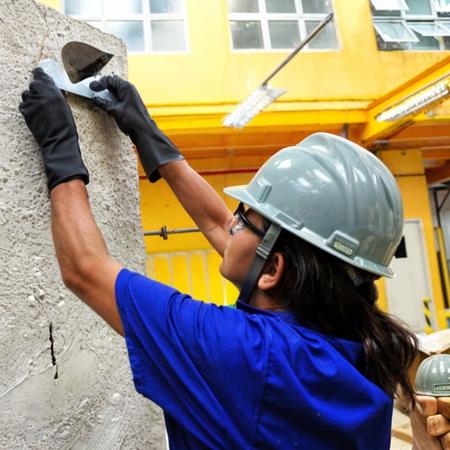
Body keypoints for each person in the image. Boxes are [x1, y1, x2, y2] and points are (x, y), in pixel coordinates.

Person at [19, 68, 428, 449]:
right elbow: (222, 227)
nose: (230, 226)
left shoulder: (239, 352)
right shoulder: (359, 346)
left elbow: (85, 268)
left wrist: (61, 151)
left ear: (272, 269)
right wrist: (152, 142)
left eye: (244, 221)